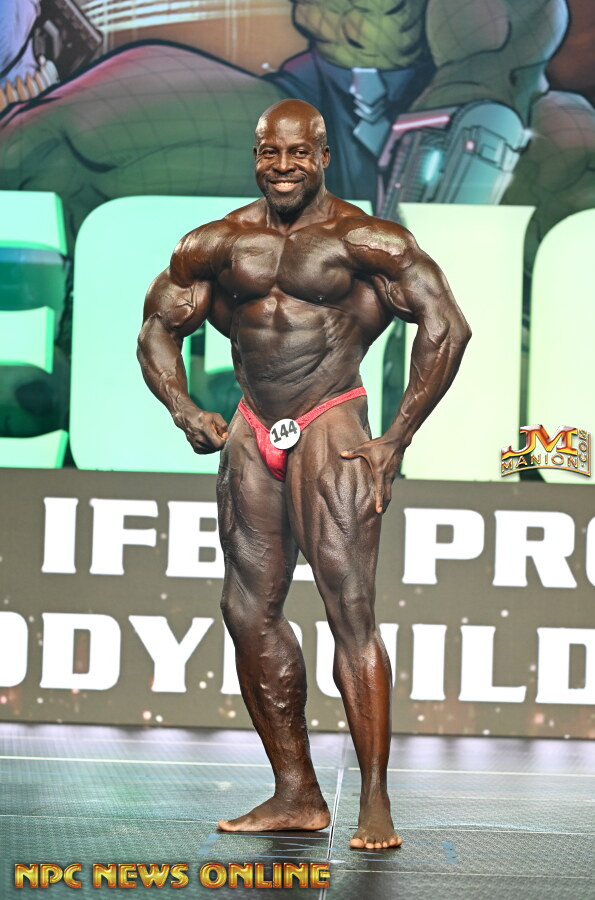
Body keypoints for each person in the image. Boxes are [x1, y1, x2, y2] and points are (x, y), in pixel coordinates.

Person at [137, 98, 471, 850]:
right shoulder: (218, 242)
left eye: (298, 153)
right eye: (270, 152)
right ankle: (296, 792)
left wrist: (395, 439)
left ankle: (375, 800)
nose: (282, 166)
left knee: (349, 612)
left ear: (323, 156)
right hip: (251, 429)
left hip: (332, 422)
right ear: (256, 155)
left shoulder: (364, 238)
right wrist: (184, 408)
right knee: (245, 610)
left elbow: (447, 325)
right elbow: (158, 326)